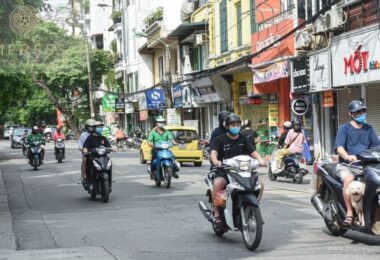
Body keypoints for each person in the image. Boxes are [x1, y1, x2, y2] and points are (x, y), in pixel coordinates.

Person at [210, 114, 266, 227]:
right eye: (233, 125)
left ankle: (254, 210)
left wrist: (260, 159)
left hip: (242, 170)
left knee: (260, 184)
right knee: (218, 183)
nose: (236, 127)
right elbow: (214, 152)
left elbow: (252, 151)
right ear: (227, 126)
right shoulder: (220, 139)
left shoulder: (243, 138)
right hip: (225, 170)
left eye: (238, 125)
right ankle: (216, 214)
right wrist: (216, 161)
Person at [335, 100, 380, 226]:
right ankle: (349, 213)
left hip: (366, 165)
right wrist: (348, 156)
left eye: (363, 111)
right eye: (357, 112)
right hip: (348, 165)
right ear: (351, 114)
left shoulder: (369, 128)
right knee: (349, 181)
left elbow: (377, 146)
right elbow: (339, 148)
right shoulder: (344, 128)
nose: (361, 114)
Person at [83, 121, 113, 189]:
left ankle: (109, 182)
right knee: (88, 163)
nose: (100, 128)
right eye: (98, 127)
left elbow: (109, 146)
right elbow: (85, 147)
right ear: (94, 128)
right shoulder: (90, 138)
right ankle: (89, 181)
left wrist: (112, 149)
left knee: (110, 163)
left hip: (103, 157)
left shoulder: (103, 138)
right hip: (93, 156)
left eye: (101, 127)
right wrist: (86, 151)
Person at [79, 119, 96, 185]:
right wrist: (84, 150)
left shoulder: (97, 134)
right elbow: (80, 146)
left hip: (97, 153)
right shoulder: (84, 135)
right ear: (87, 127)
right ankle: (82, 177)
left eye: (93, 126)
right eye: (90, 126)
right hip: (88, 153)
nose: (91, 128)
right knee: (85, 159)